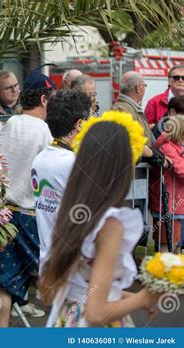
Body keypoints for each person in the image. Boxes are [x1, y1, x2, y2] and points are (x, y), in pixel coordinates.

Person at [40, 111, 162, 327]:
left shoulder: (70, 211)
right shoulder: (111, 224)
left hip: (66, 318)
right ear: (123, 165)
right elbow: (95, 314)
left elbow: (55, 288)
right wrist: (146, 296)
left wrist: (124, 297)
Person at [0, 70, 56, 326]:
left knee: (4, 282)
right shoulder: (45, 133)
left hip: (3, 214)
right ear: (44, 100)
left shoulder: (9, 124)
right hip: (30, 216)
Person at [32, 90, 91, 275]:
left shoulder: (40, 159)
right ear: (79, 124)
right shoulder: (73, 163)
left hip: (49, 262)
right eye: (89, 119)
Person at [112, 71, 168, 167]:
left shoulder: (128, 108)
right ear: (138, 88)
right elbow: (131, 147)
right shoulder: (123, 110)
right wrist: (156, 157)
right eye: (144, 86)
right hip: (132, 177)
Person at [149, 115, 184, 253]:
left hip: (177, 207)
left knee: (177, 248)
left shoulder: (177, 146)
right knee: (168, 247)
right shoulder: (168, 148)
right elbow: (182, 170)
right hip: (168, 206)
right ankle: (161, 274)